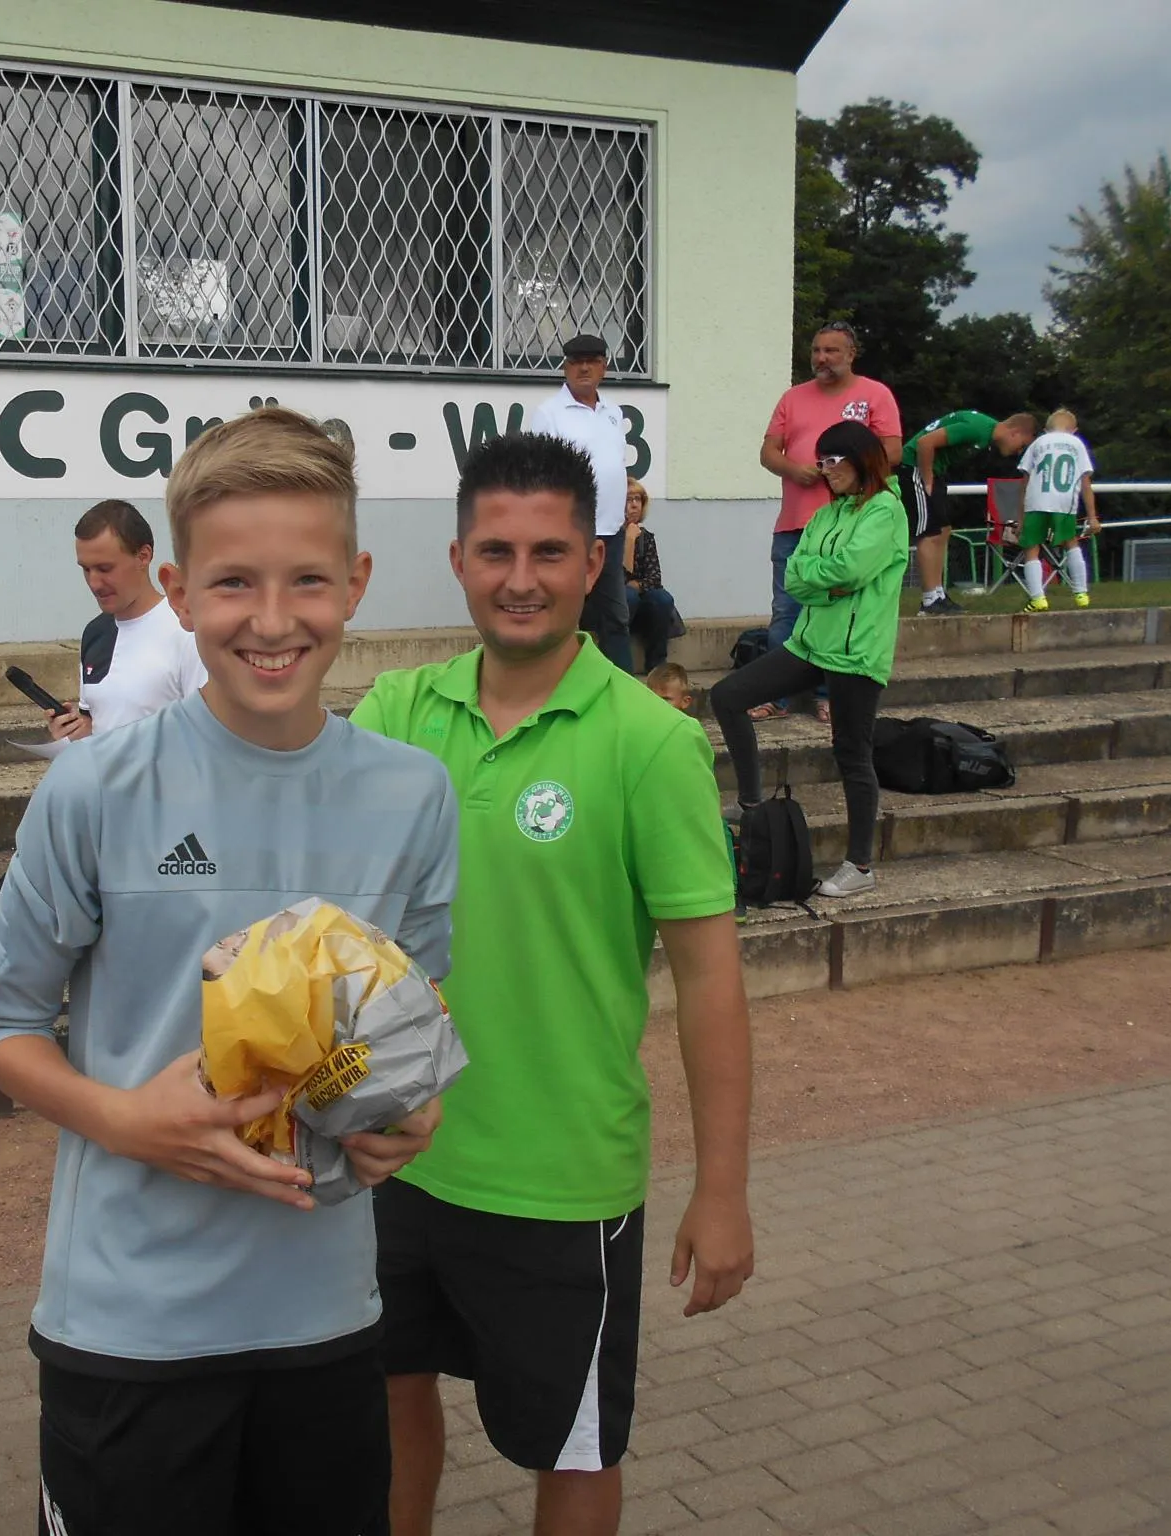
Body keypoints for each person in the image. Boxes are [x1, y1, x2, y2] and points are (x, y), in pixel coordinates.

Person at [0, 406, 459, 1536]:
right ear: (179, 593)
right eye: (234, 583)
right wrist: (126, 1120)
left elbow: (411, 1015)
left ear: (356, 583)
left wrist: (407, 1113)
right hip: (130, 1329)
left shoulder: (412, 795)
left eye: (307, 581)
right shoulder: (94, 789)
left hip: (327, 1324)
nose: (272, 621)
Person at [350, 432, 753, 1536]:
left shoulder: (650, 742)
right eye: (495, 551)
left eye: (547, 552)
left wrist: (722, 1190)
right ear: (457, 559)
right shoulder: (396, 714)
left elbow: (709, 981)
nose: (519, 578)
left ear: (593, 563)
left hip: (559, 1181)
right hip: (393, 1158)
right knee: (385, 1399)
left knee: (570, 1447)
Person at [712, 421, 909, 898]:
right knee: (728, 696)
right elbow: (795, 576)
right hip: (810, 642)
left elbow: (852, 570)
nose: (825, 469)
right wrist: (825, 585)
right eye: (821, 461)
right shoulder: (827, 513)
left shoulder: (886, 509)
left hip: (855, 652)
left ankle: (860, 865)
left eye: (834, 460)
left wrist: (822, 579)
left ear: (862, 459)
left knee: (852, 752)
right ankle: (752, 804)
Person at [757, 322, 901, 720]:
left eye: (831, 351)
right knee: (786, 611)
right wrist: (795, 469)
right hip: (795, 520)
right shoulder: (793, 397)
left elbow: (893, 452)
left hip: (850, 523)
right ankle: (776, 695)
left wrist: (842, 467)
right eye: (817, 350)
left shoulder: (875, 394)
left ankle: (829, 694)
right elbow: (768, 452)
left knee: (838, 611)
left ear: (851, 354)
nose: (822, 358)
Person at [45, 498, 204, 744]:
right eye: (86, 569)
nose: (94, 583)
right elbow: (97, 723)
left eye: (105, 568)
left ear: (143, 556)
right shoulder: (95, 633)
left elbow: (208, 735)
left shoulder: (188, 631)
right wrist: (72, 734)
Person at [526, 334, 634, 671]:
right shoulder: (549, 413)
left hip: (611, 531)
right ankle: (558, 681)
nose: (584, 368)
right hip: (570, 531)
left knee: (615, 615)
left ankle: (622, 687)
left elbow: (614, 465)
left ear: (604, 367)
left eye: (591, 362)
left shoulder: (613, 412)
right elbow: (540, 475)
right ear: (565, 368)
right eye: (576, 362)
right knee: (566, 614)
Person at [903, 409, 1039, 615]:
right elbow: (925, 443)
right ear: (1015, 432)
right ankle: (929, 600)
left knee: (943, 530)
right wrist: (927, 479)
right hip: (915, 468)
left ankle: (938, 593)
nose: (1018, 451)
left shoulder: (985, 433)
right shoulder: (978, 428)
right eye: (1021, 445)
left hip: (933, 471)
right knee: (930, 532)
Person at [1015, 409, 1099, 612]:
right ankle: (1081, 593)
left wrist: (1021, 519)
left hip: (1036, 500)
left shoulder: (1038, 443)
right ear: (1074, 430)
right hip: (1064, 501)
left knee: (1031, 548)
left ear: (1045, 430)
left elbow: (1025, 482)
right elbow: (1085, 482)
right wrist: (1092, 516)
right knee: (1071, 542)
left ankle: (1037, 598)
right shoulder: (1077, 444)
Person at [619, 477, 680, 674]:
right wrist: (629, 541)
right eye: (629, 499)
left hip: (640, 608)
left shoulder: (646, 537)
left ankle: (657, 664)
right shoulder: (608, 537)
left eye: (638, 499)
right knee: (628, 595)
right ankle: (621, 663)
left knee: (662, 599)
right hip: (614, 609)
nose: (634, 505)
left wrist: (636, 585)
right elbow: (617, 581)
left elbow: (654, 579)